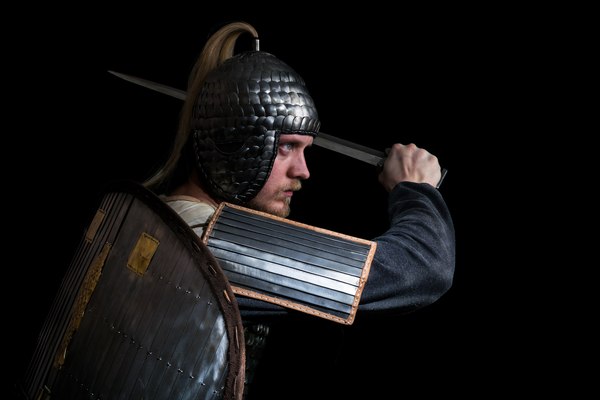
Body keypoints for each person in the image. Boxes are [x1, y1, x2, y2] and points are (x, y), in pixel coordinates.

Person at [140, 20, 456, 398]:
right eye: (286, 147)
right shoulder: (206, 244)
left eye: (304, 150)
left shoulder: (158, 217)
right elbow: (422, 267)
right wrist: (415, 189)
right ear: (231, 143)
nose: (303, 171)